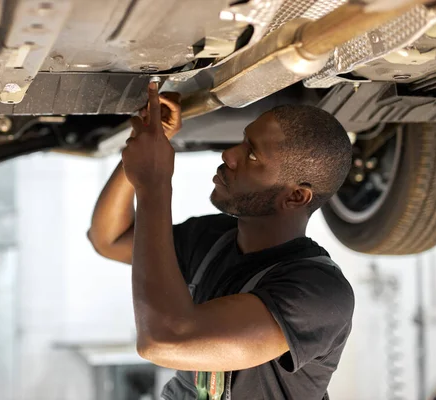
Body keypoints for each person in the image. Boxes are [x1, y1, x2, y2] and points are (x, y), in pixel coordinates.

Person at [87, 83, 355, 400]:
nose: (229, 154)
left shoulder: (318, 293)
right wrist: (143, 151)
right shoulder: (214, 239)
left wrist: (154, 182)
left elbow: (163, 340)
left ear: (296, 196)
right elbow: (110, 238)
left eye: (252, 154)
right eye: (242, 142)